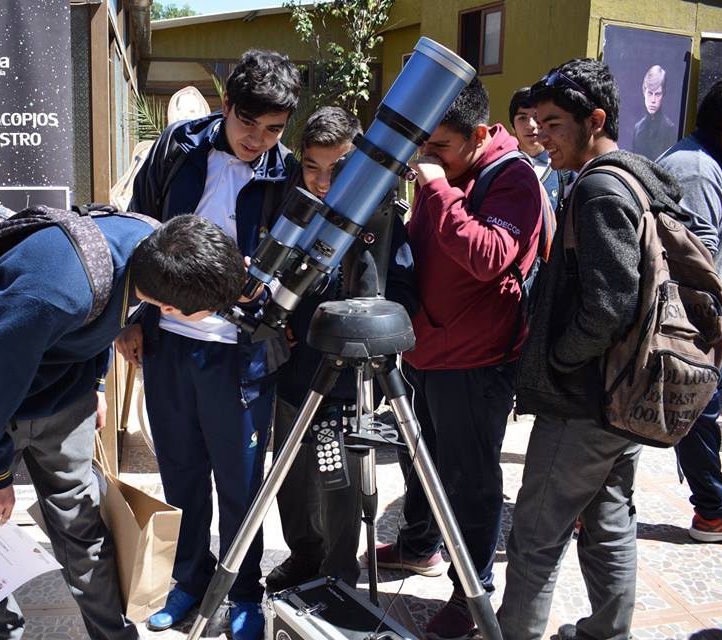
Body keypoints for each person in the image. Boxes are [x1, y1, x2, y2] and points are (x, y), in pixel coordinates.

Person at [0, 214, 248, 640]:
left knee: (83, 531)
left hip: (64, 401)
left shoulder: (148, 250)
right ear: (170, 308)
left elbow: (105, 315)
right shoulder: (52, 295)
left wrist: (96, 385)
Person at [497, 58, 686, 640]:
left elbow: (609, 303)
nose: (541, 135)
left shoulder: (600, 187)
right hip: (622, 395)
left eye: (553, 124)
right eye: (535, 122)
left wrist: (557, 361)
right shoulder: (639, 175)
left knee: (535, 535)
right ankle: (607, 632)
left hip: (583, 402)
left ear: (595, 119)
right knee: (609, 519)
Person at [116, 49, 300, 640]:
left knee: (241, 482)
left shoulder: (288, 170)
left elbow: (303, 260)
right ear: (227, 106)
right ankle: (189, 582)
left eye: (273, 129)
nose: (258, 140)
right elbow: (139, 231)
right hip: (169, 342)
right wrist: (133, 316)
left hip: (239, 352)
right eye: (249, 124)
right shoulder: (177, 147)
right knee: (182, 473)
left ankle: (244, 592)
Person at [367, 77, 544, 639]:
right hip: (427, 349)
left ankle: (473, 593)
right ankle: (421, 546)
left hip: (474, 360)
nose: (427, 158)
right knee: (422, 460)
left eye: (439, 146)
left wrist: (439, 189)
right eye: (424, 146)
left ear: (477, 134)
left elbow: (490, 255)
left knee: (470, 479)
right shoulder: (453, 169)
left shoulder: (512, 178)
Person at [265, 106, 417, 593]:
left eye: (339, 167)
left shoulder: (382, 215)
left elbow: (404, 293)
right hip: (296, 372)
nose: (325, 180)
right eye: (313, 166)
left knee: (341, 486)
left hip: (352, 382)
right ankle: (303, 557)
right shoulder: (294, 209)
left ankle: (337, 573)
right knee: (294, 477)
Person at [658, 77, 722, 543]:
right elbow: (693, 261)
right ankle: (713, 510)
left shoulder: (705, 160)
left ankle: (712, 508)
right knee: (690, 412)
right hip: (688, 325)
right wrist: (705, 335)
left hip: (689, 324)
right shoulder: (695, 168)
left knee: (684, 415)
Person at [509, 86, 567, 210]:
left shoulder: (564, 168)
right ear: (512, 127)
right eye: (522, 118)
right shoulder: (503, 166)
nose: (531, 125)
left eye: (536, 117)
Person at [633, 64, 677, 160]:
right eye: (650, 93)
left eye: (657, 94)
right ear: (644, 92)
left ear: (663, 94)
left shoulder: (669, 129)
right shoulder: (638, 128)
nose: (653, 100)